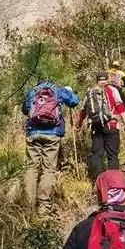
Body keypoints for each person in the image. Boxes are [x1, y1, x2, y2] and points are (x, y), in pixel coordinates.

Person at [22, 79, 79, 218]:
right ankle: (43, 207)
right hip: (52, 134)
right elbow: (74, 101)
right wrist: (69, 91)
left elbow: (25, 110)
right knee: (48, 169)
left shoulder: (32, 91)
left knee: (31, 168)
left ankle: (29, 207)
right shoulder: (58, 89)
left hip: (33, 133)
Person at [76, 72, 125, 181]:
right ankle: (113, 185)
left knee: (96, 155)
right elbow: (120, 106)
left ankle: (99, 185)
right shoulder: (112, 90)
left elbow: (83, 110)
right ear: (107, 79)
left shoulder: (90, 92)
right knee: (112, 156)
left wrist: (79, 124)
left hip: (96, 127)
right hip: (112, 125)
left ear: (96, 80)